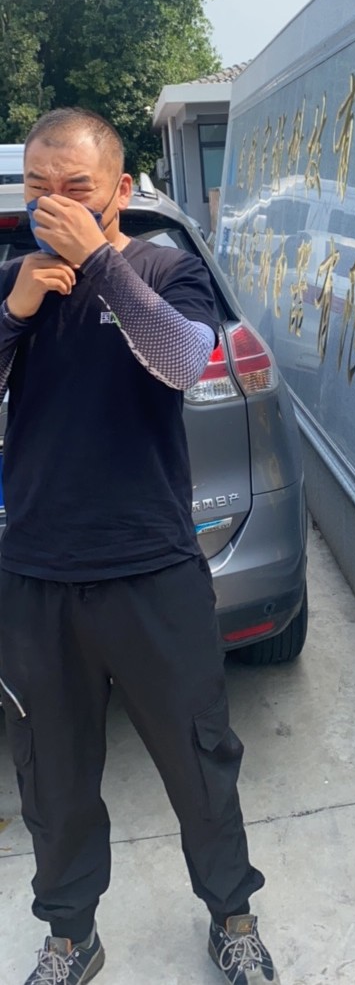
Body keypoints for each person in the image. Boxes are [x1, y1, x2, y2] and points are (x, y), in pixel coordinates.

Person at [0, 108, 280, 985]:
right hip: (38, 570)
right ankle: (70, 936)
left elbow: (183, 358)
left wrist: (98, 263)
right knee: (52, 777)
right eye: (38, 187)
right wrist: (14, 310)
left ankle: (232, 916)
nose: (53, 202)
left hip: (152, 565)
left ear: (119, 189)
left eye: (75, 187)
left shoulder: (164, 267)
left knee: (200, 758)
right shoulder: (13, 281)